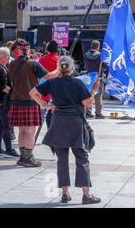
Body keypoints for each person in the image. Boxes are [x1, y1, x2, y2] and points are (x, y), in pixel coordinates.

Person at [30, 56, 101, 205]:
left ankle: (65, 193)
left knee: (62, 159)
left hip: (58, 123)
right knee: (82, 158)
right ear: (72, 68)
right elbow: (87, 104)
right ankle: (86, 195)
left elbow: (32, 92)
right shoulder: (78, 83)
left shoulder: (52, 82)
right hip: (75, 123)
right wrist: (94, 91)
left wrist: (45, 105)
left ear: (59, 67)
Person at [8, 39, 59, 167]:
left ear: (17, 50)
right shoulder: (33, 64)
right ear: (28, 50)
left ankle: (22, 157)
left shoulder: (11, 64)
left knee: (22, 131)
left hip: (15, 99)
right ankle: (29, 157)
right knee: (30, 131)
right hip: (30, 100)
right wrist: (59, 68)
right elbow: (49, 76)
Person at [0, 47, 19, 158]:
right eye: (7, 55)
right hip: (2, 101)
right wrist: (15, 91)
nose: (9, 57)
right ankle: (8, 150)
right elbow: (4, 87)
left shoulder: (1, 68)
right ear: (1, 57)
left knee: (1, 126)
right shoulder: (0, 69)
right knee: (7, 126)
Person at [39, 41, 60, 129]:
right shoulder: (60, 59)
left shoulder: (42, 59)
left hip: (44, 87)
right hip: (57, 87)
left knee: (44, 110)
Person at [83, 40, 106, 119]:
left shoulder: (86, 55)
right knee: (98, 95)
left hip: (89, 77)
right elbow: (105, 66)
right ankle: (98, 113)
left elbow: (85, 64)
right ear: (98, 47)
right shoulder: (100, 56)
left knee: (88, 94)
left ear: (91, 46)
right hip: (98, 77)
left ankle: (88, 112)